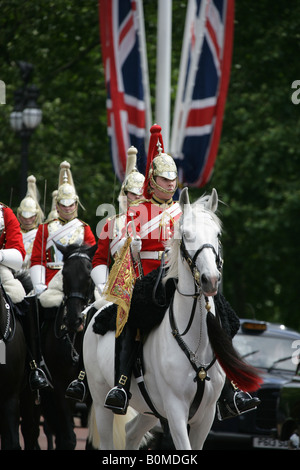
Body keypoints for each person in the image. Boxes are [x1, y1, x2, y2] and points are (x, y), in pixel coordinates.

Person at [103, 124, 260, 418]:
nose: (170, 183)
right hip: (149, 277)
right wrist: (130, 245)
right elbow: (118, 249)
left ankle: (230, 392)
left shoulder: (182, 211)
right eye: (164, 178)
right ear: (153, 179)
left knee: (224, 316)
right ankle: (122, 386)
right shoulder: (137, 210)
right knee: (132, 315)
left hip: (181, 276)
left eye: (174, 178)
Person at [65, 146, 145, 401]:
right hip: (118, 288)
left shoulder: (156, 222)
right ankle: (82, 377)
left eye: (139, 194)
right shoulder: (112, 224)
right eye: (130, 194)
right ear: (124, 195)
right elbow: (99, 259)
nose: (134, 198)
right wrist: (102, 284)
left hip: (148, 285)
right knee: (91, 314)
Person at [30, 161, 96, 307]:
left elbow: (92, 260)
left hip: (77, 282)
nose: (67, 209)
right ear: (57, 205)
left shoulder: (84, 228)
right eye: (63, 205)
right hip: (50, 281)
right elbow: (37, 259)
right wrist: (39, 284)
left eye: (71, 205)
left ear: (76, 204)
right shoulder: (45, 228)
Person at [15, 175, 49, 390]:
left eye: (31, 215)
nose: (27, 219)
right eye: (24, 215)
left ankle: (37, 363)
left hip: (33, 283)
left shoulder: (42, 234)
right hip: (12, 279)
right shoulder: (11, 233)